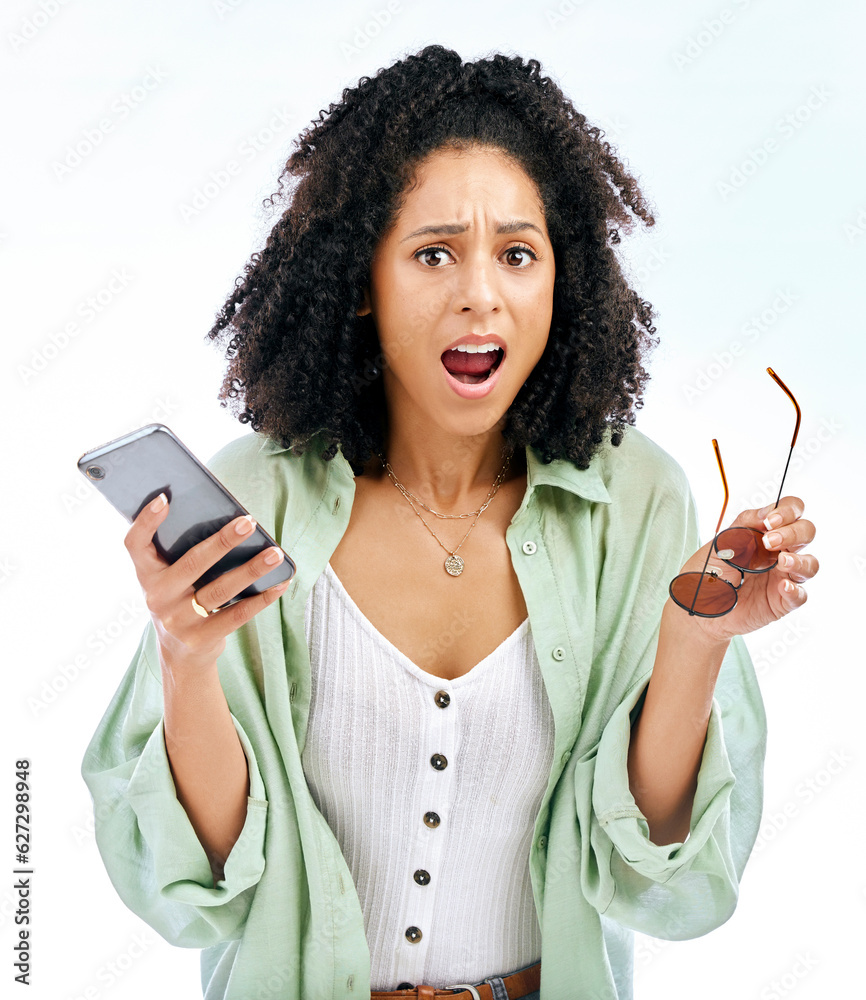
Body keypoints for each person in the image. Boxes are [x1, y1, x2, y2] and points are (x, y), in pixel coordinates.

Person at [81, 45, 817, 1000]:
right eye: (434, 252)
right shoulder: (256, 499)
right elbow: (208, 892)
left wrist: (694, 640)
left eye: (518, 254)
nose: (481, 293)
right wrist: (186, 658)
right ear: (361, 278)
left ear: (563, 281)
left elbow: (650, 881)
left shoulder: (638, 500)